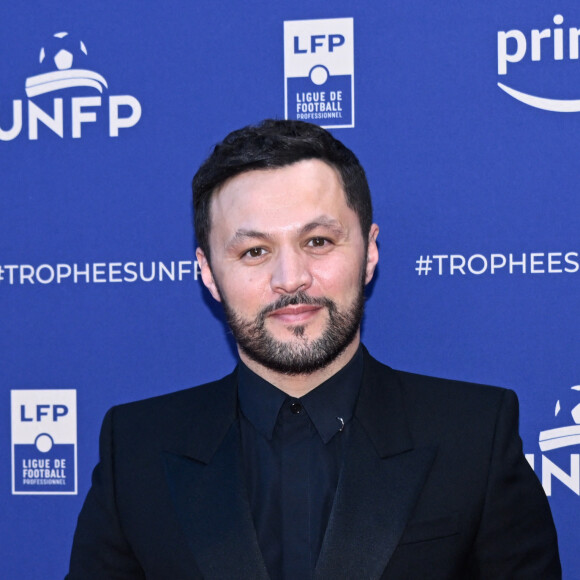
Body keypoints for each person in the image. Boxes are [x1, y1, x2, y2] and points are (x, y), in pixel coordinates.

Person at [66, 119, 561, 579]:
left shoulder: (475, 436)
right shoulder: (135, 449)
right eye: (254, 251)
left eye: (319, 241)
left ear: (369, 253)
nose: (291, 279)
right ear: (207, 273)